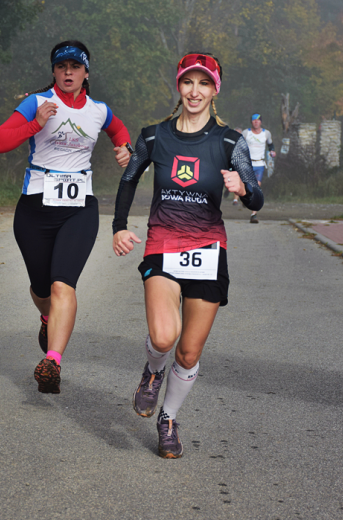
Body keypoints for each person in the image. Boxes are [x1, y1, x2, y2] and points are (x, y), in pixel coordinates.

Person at [112, 53, 263, 458]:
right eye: (188, 82)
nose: (194, 91)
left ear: (215, 90)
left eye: (204, 83)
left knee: (190, 351)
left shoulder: (231, 141)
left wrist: (244, 188)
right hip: (163, 244)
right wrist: (120, 226)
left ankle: (169, 419)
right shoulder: (154, 135)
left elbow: (258, 198)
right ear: (179, 87)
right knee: (163, 338)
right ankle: (152, 371)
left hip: (209, 250)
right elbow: (129, 179)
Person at [0, 40, 131, 394]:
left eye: (75, 66)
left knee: (62, 285)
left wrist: (125, 150)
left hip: (79, 209)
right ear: (54, 72)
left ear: (86, 73)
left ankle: (52, 361)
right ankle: (45, 317)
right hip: (34, 209)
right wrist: (34, 125)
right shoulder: (36, 103)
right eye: (61, 67)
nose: (68, 72)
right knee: (42, 291)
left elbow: (119, 131)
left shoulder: (99, 110)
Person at [237, 113, 275, 224]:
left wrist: (272, 151)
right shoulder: (246, 133)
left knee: (257, 186)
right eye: (254, 120)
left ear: (261, 122)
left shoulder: (266, 133)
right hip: (247, 164)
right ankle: (246, 197)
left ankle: (254, 214)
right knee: (248, 186)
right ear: (251, 122)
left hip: (260, 164)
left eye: (258, 120)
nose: (256, 122)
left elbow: (270, 145)